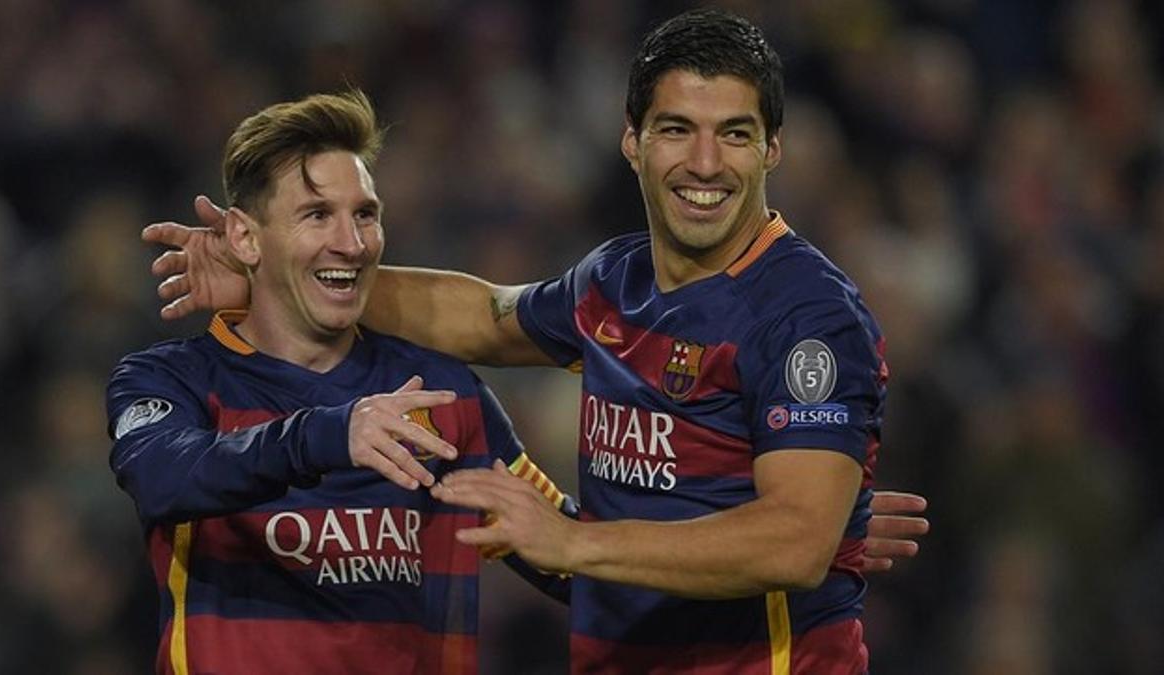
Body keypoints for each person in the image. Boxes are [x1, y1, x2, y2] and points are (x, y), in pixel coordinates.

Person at [144, 10, 931, 672]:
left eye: (734, 133)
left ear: (772, 149)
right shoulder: (613, 282)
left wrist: (570, 542)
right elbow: (482, 317)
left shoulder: (806, 317)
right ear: (632, 141)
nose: (703, 162)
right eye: (676, 129)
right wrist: (281, 277)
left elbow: (793, 543)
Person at [108, 89, 574, 675]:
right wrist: (332, 434)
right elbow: (165, 479)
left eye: (365, 214)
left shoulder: (440, 393)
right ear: (247, 238)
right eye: (317, 214)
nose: (351, 244)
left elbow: (566, 557)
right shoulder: (172, 379)